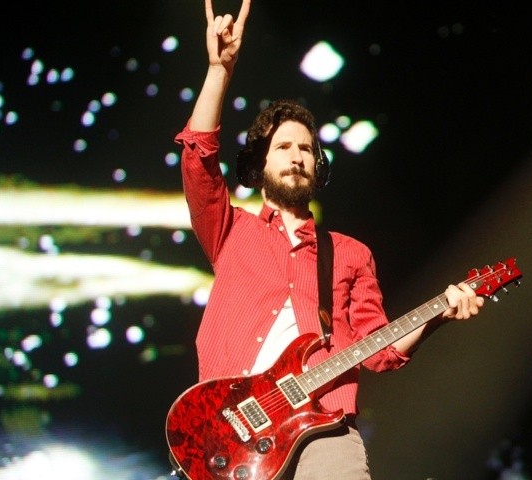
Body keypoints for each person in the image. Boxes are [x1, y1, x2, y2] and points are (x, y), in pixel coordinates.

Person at [172, 0, 485, 478]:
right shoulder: (231, 229)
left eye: (306, 148)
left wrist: (441, 312)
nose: (297, 156)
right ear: (260, 163)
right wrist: (219, 71)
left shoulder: (350, 253)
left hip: (324, 429)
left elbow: (379, 349)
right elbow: (198, 160)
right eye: (284, 146)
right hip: (228, 433)